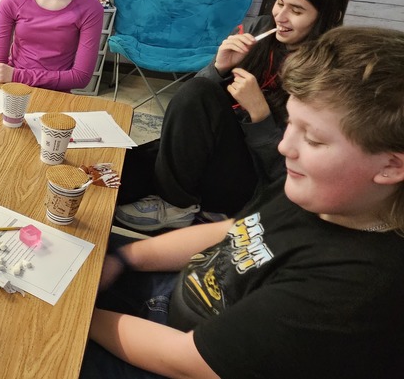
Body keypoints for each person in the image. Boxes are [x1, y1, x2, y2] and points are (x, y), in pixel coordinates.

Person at [82, 26, 404, 379]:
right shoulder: (328, 192)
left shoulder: (354, 285)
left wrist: (77, 312)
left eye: (312, 139)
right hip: (178, 296)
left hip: (183, 356)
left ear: (391, 165)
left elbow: (188, 360)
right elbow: (234, 230)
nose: (284, 147)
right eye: (291, 124)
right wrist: (125, 258)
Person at [114, 0, 351, 231]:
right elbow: (202, 102)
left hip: (252, 176)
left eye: (297, 11)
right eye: (280, 3)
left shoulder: (330, 72)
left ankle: (177, 204)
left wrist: (259, 112)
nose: (281, 17)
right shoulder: (261, 30)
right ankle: (174, 195)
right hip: (209, 152)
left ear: (328, 16)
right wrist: (219, 66)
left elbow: (286, 167)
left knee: (196, 93)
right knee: (116, 175)